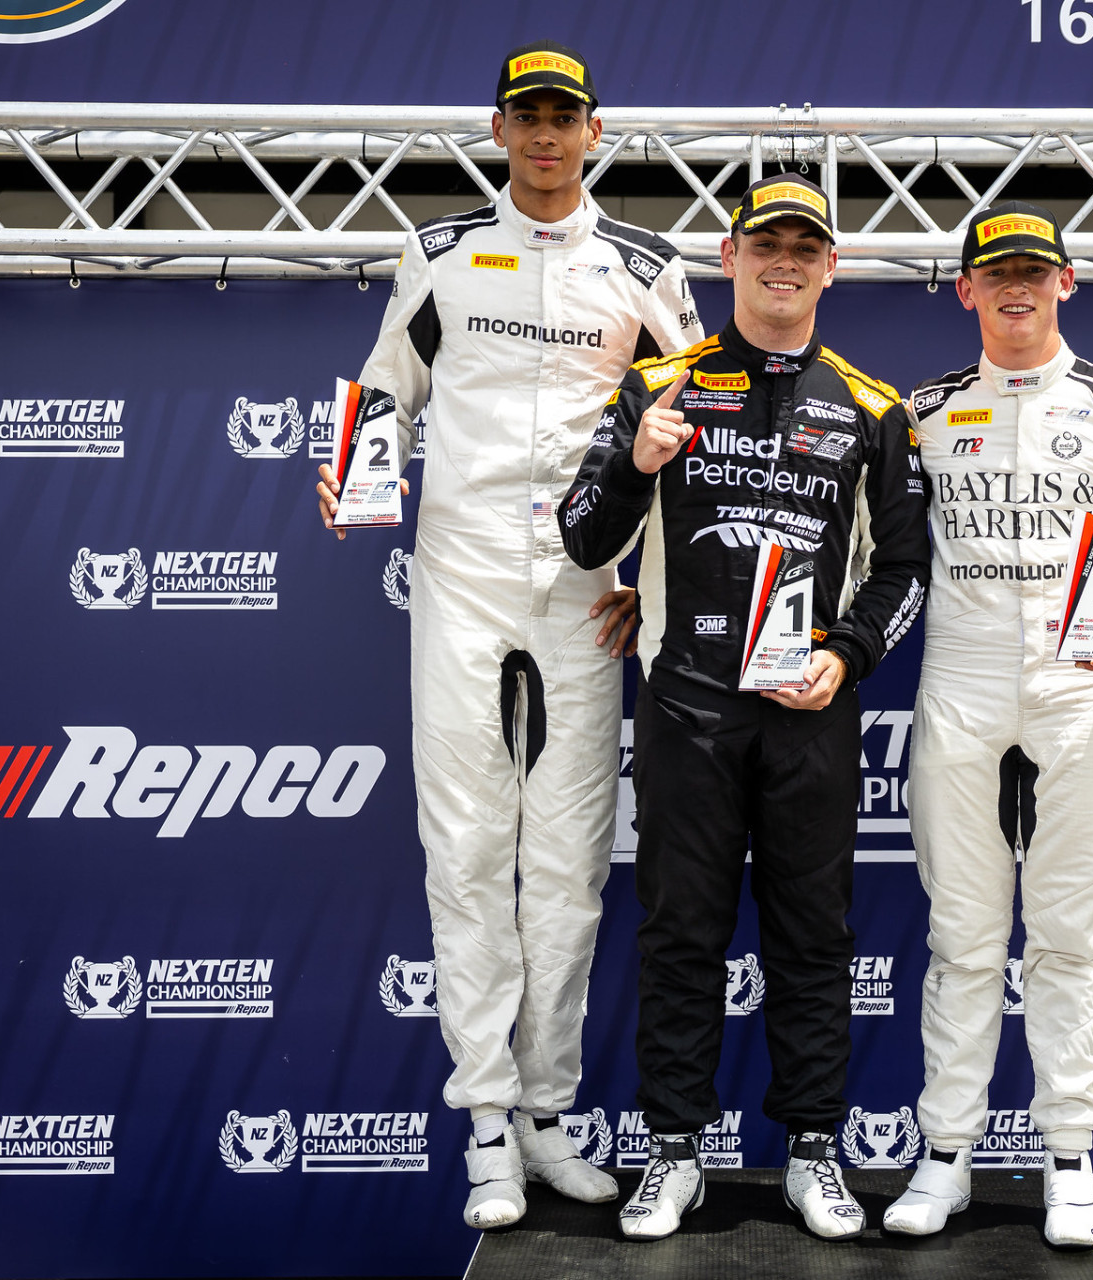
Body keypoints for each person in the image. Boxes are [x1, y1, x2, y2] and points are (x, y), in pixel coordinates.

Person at [315, 41, 704, 1231]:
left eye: (563, 117)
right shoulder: (436, 254)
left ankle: (548, 1111)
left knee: (572, 869)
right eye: (526, 116)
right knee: (470, 849)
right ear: (497, 131)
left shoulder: (647, 267)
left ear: (596, 133)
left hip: (585, 588)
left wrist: (658, 583)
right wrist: (351, 470)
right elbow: (386, 393)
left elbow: (693, 433)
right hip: (465, 584)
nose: (544, 136)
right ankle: (486, 1118)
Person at [558, 174, 930, 1242]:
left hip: (809, 711)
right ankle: (673, 1150)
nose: (785, 262)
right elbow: (583, 535)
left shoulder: (872, 408)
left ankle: (815, 1148)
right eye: (766, 244)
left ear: (831, 268)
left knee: (814, 935)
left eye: (805, 247)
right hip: (686, 708)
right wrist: (636, 464)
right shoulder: (659, 383)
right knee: (681, 933)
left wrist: (847, 658)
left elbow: (905, 570)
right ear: (728, 258)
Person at [881, 202, 1093, 1248]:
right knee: (963, 936)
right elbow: (876, 552)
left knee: (1069, 935)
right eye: (996, 272)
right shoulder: (924, 411)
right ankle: (945, 1153)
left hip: (1081, 686)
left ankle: (1069, 1157)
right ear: (965, 289)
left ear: (1067, 281)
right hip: (962, 682)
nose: (1015, 287)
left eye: (1035, 269)